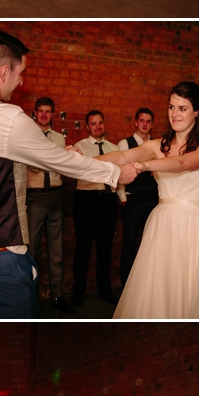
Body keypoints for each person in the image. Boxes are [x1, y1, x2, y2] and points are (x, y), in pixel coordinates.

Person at [0, 31, 140, 319]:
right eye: (21, 73)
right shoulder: (4, 116)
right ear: (4, 71)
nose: (21, 82)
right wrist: (116, 173)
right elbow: (62, 163)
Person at [113, 81, 199, 319]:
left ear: (197, 111)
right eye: (171, 107)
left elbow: (182, 164)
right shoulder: (157, 145)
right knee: (159, 288)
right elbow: (121, 155)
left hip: (196, 226)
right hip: (163, 223)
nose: (174, 114)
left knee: (196, 290)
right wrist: (82, 160)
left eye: (182, 108)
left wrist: (145, 165)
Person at [25, 96, 74, 314]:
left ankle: (57, 295)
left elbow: (60, 166)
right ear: (34, 112)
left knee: (57, 250)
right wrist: (51, 160)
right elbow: (32, 165)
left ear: (53, 114)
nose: (44, 115)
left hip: (56, 194)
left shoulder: (58, 139)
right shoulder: (27, 136)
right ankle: (31, 298)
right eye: (40, 111)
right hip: (35, 196)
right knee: (32, 250)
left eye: (48, 111)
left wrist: (62, 158)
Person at [70, 110, 119, 306]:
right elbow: (80, 169)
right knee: (83, 248)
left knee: (105, 249)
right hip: (86, 200)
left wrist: (121, 197)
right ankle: (78, 292)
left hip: (108, 200)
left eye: (100, 123)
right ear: (87, 127)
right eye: (93, 124)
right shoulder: (80, 147)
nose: (98, 127)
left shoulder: (114, 148)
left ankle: (105, 290)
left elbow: (118, 175)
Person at [117, 108, 160, 287]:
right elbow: (119, 172)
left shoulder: (158, 146)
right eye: (142, 120)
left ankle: (146, 286)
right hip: (132, 200)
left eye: (148, 121)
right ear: (136, 122)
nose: (144, 124)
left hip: (153, 201)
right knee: (129, 243)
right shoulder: (125, 144)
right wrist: (122, 198)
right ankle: (126, 284)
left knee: (151, 245)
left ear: (152, 124)